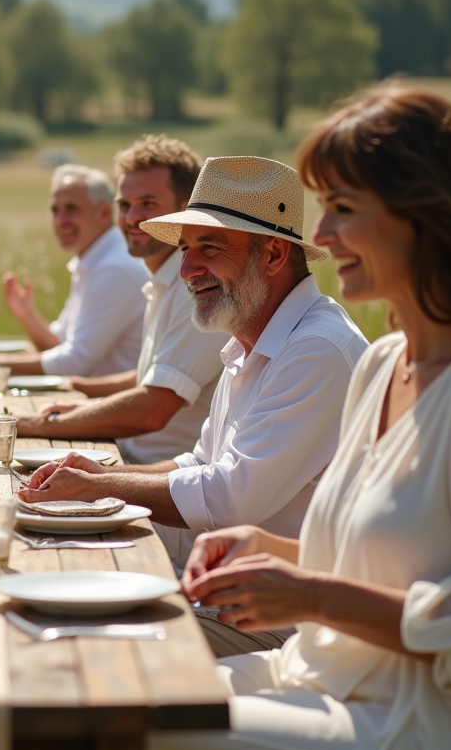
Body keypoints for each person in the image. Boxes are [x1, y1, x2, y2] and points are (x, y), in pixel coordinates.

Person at [150, 87, 451, 750]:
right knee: (124, 688)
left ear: (423, 218)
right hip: (319, 671)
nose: (320, 237)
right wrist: (263, 547)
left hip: (414, 720)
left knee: (143, 731)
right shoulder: (381, 365)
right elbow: (374, 561)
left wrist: (311, 595)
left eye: (343, 210)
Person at [21, 155, 369, 657]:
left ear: (272, 254)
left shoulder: (317, 348)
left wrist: (100, 485)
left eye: (209, 247)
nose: (187, 269)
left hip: (285, 628)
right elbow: (200, 463)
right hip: (232, 599)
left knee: (80, 635)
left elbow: (229, 496)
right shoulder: (255, 341)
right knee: (66, 590)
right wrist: (98, 476)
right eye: (185, 249)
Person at [13, 136, 228, 467]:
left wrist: (41, 424)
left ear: (186, 211)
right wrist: (79, 394)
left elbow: (154, 408)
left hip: (165, 481)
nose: (131, 219)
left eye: (148, 204)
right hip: (128, 456)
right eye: (124, 205)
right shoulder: (160, 281)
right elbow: (148, 376)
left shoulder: (198, 289)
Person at [0, 164, 149, 377]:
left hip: (109, 402)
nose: (60, 221)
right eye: (55, 210)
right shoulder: (94, 261)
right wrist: (27, 315)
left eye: (71, 209)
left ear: (104, 212)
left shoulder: (114, 269)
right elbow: (58, 345)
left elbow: (74, 363)